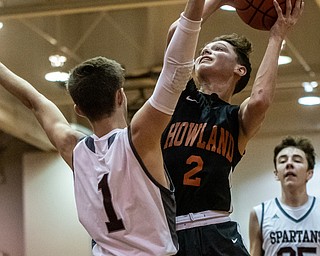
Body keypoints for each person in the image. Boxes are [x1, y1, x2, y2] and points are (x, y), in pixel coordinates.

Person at [0, 0, 205, 255]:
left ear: (79, 110)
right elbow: (176, 71)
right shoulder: (139, 138)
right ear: (121, 96)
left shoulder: (73, 147)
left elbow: (35, 101)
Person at [161, 0, 304, 255]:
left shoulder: (236, 119)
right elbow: (177, 34)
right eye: (204, 49)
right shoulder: (179, 96)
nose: (206, 50)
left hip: (215, 227)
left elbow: (260, 99)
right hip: (168, 231)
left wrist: (277, 36)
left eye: (217, 49)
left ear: (240, 69)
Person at [249, 136, 320, 256]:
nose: (289, 164)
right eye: (282, 161)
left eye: (297, 160)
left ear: (309, 173)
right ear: (276, 173)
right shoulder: (260, 213)